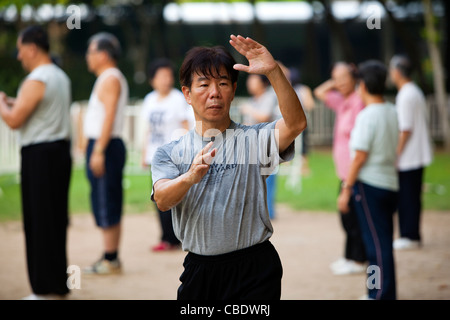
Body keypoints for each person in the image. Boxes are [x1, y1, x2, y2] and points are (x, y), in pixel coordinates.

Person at [150, 35, 307, 300]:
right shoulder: (169, 153)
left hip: (255, 269)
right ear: (187, 93)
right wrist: (189, 177)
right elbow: (163, 200)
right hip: (200, 271)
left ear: (233, 90)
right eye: (204, 84)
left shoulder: (254, 140)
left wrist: (273, 72)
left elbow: (295, 124)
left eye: (223, 83)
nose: (215, 92)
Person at [0, 25, 72, 300]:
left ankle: (42, 289)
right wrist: (13, 102)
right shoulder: (59, 76)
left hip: (39, 156)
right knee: (54, 219)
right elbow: (38, 109)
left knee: (38, 220)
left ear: (31, 48)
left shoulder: (36, 78)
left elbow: (15, 119)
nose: (19, 57)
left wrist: (1, 103)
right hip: (59, 152)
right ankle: (57, 284)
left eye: (20, 50)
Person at [338, 60, 399, 300]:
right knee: (382, 241)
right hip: (390, 183)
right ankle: (380, 291)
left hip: (370, 185)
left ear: (362, 85)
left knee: (375, 244)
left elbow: (359, 156)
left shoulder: (366, 115)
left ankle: (378, 293)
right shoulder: (392, 110)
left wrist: (346, 188)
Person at [314, 62, 367, 275]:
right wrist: (335, 82)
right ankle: (350, 256)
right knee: (347, 217)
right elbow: (318, 92)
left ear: (354, 77)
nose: (340, 83)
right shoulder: (342, 101)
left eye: (344, 78)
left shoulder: (358, 102)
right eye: (336, 78)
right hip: (344, 171)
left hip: (355, 172)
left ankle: (357, 259)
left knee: (352, 217)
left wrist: (347, 76)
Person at [82, 32, 128, 275]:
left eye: (90, 52)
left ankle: (111, 258)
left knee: (106, 199)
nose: (87, 57)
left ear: (102, 54)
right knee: (105, 197)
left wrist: (98, 150)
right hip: (105, 144)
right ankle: (110, 256)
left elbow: (108, 116)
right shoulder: (107, 77)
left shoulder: (110, 78)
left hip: (106, 145)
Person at [141, 58, 194, 252]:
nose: (166, 80)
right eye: (162, 76)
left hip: (173, 157)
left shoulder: (177, 98)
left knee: (176, 198)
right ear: (152, 79)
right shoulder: (149, 100)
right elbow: (147, 130)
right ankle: (166, 238)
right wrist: (144, 153)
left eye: (169, 76)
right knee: (158, 198)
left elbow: (186, 125)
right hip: (154, 157)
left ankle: (177, 237)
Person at [389, 55, 433, 250]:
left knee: (407, 197)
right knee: (412, 195)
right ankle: (411, 233)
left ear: (397, 71)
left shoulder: (405, 94)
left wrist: (395, 154)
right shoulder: (414, 90)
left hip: (409, 155)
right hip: (417, 153)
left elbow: (405, 128)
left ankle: (409, 235)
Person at [239, 70, 279, 220]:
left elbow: (265, 116)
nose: (250, 83)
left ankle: (268, 212)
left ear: (263, 83)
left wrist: (249, 110)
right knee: (252, 179)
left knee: (268, 178)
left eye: (253, 80)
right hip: (252, 145)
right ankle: (256, 210)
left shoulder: (269, 96)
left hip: (267, 144)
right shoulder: (252, 100)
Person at [290, 67, 315, 176]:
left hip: (300, 121)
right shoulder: (291, 88)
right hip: (289, 121)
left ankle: (304, 167)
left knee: (303, 145)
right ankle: (289, 165)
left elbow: (310, 105)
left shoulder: (303, 90)